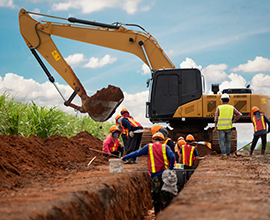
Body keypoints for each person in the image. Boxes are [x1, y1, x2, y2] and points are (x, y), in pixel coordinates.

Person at [121, 132, 176, 215]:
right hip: (165, 175)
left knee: (156, 195)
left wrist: (124, 157)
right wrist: (170, 169)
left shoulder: (149, 146)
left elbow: (137, 153)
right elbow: (172, 156)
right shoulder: (166, 147)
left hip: (155, 175)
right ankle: (166, 214)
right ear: (162, 140)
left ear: (153, 139)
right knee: (165, 194)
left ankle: (157, 214)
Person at [213, 93, 242, 159]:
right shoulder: (232, 107)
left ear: (221, 100)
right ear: (228, 100)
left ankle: (224, 155)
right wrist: (233, 121)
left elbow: (216, 118)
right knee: (228, 141)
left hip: (221, 128)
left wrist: (215, 127)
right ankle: (228, 155)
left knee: (221, 141)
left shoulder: (219, 108)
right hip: (229, 127)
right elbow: (239, 114)